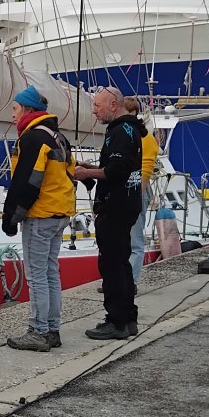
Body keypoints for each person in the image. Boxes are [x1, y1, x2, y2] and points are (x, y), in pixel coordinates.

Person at [0, 86, 76, 352]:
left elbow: (26, 182)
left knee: (36, 275)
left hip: (41, 214)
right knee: (50, 272)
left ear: (28, 110)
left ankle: (38, 331)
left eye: (15, 109)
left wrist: (11, 216)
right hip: (60, 212)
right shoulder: (58, 137)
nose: (12, 114)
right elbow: (70, 173)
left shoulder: (32, 139)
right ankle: (52, 329)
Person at [74, 87, 144, 340]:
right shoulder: (130, 129)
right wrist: (91, 168)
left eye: (97, 105)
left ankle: (115, 321)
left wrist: (86, 174)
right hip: (125, 203)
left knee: (112, 266)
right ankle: (128, 318)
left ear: (113, 105)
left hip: (115, 206)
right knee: (122, 263)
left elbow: (117, 171)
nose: (93, 110)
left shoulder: (121, 132)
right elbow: (117, 166)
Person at [123, 96, 159, 284]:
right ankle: (120, 281)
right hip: (125, 190)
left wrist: (137, 193)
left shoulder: (144, 138)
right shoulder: (124, 134)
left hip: (136, 190)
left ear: (133, 113)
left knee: (134, 241)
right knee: (123, 240)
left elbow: (146, 167)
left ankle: (131, 282)